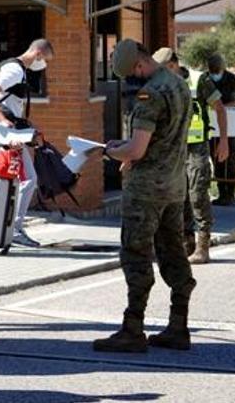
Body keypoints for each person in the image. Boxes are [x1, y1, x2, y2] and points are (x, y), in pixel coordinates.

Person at [94, 40, 196, 353]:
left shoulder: (149, 93)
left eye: (132, 74)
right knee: (173, 254)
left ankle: (132, 328)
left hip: (146, 191)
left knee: (136, 256)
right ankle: (178, 326)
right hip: (175, 187)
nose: (134, 80)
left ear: (139, 66)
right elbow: (159, 139)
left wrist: (112, 151)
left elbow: (137, 150)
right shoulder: (179, 85)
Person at [154, 48, 229, 265]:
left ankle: (203, 246)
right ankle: (186, 244)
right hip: (174, 149)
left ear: (174, 64)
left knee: (197, 193)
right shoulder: (162, 84)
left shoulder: (199, 81)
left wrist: (223, 141)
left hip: (197, 147)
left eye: (165, 69)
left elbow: (220, 109)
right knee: (179, 195)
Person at [0, 39, 55, 248]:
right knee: (28, 178)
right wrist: (2, 120)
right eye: (45, 60)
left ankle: (7, 228)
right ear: (38, 54)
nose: (43, 66)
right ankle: (14, 229)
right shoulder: (15, 69)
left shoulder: (15, 68)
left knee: (17, 178)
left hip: (6, 131)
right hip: (5, 133)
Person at [206, 53, 235, 207]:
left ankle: (230, 193)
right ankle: (221, 193)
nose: (215, 74)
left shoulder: (233, 80)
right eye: (212, 70)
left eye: (217, 70)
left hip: (230, 126)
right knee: (216, 158)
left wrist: (219, 109)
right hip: (212, 126)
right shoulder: (206, 79)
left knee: (230, 159)